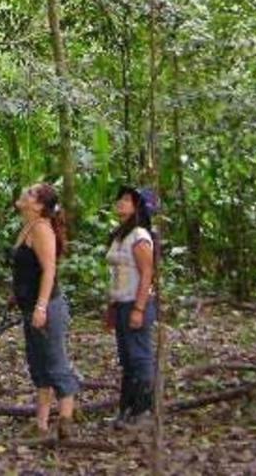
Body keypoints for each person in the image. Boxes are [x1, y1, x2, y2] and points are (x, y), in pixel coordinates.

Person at [11, 183, 80, 440]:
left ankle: (66, 419)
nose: (24, 194)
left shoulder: (41, 229)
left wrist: (41, 306)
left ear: (39, 206)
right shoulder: (28, 226)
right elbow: (28, 268)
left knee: (55, 362)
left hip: (47, 307)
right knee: (38, 365)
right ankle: (40, 423)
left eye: (30, 193)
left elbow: (50, 270)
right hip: (30, 305)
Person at [106, 184, 160, 429]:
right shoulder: (120, 235)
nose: (120, 203)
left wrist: (139, 308)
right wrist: (112, 306)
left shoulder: (139, 236)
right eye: (120, 198)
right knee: (127, 359)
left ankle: (144, 412)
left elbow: (147, 272)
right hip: (121, 303)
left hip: (136, 302)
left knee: (140, 357)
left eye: (127, 200)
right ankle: (126, 409)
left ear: (138, 207)